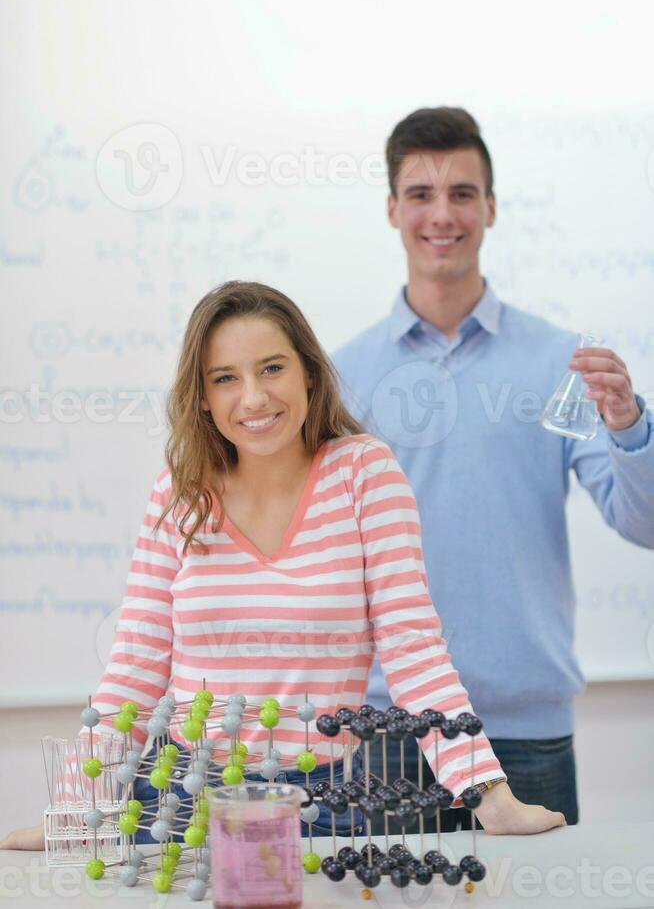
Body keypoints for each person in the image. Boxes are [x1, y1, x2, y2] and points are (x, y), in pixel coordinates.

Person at [2, 280, 565, 852]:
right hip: (178, 803)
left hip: (317, 806)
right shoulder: (179, 494)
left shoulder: (364, 473)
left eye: (272, 368)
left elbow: (413, 647)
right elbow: (135, 666)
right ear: (201, 395)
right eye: (225, 378)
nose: (253, 398)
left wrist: (487, 795)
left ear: (309, 374)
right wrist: (74, 810)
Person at [330, 107, 654, 832]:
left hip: (523, 732)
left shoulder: (563, 363)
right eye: (420, 194)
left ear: (492, 207)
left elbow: (646, 525)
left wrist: (630, 425)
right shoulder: (340, 378)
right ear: (391, 209)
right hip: (386, 732)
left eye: (462, 193)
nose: (441, 215)